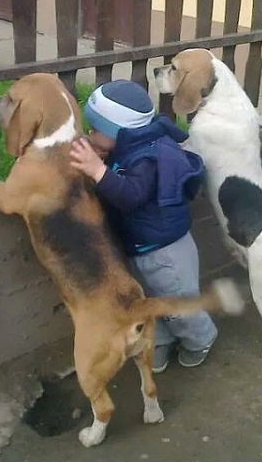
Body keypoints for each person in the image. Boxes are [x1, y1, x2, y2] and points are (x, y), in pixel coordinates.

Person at [69, 79, 218, 373]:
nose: (90, 134)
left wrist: (98, 171)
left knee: (177, 306)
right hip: (140, 246)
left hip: (165, 253)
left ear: (118, 132)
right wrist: (102, 161)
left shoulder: (148, 158)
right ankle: (159, 341)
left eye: (96, 130)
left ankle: (200, 339)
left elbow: (131, 196)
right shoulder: (129, 146)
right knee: (148, 301)